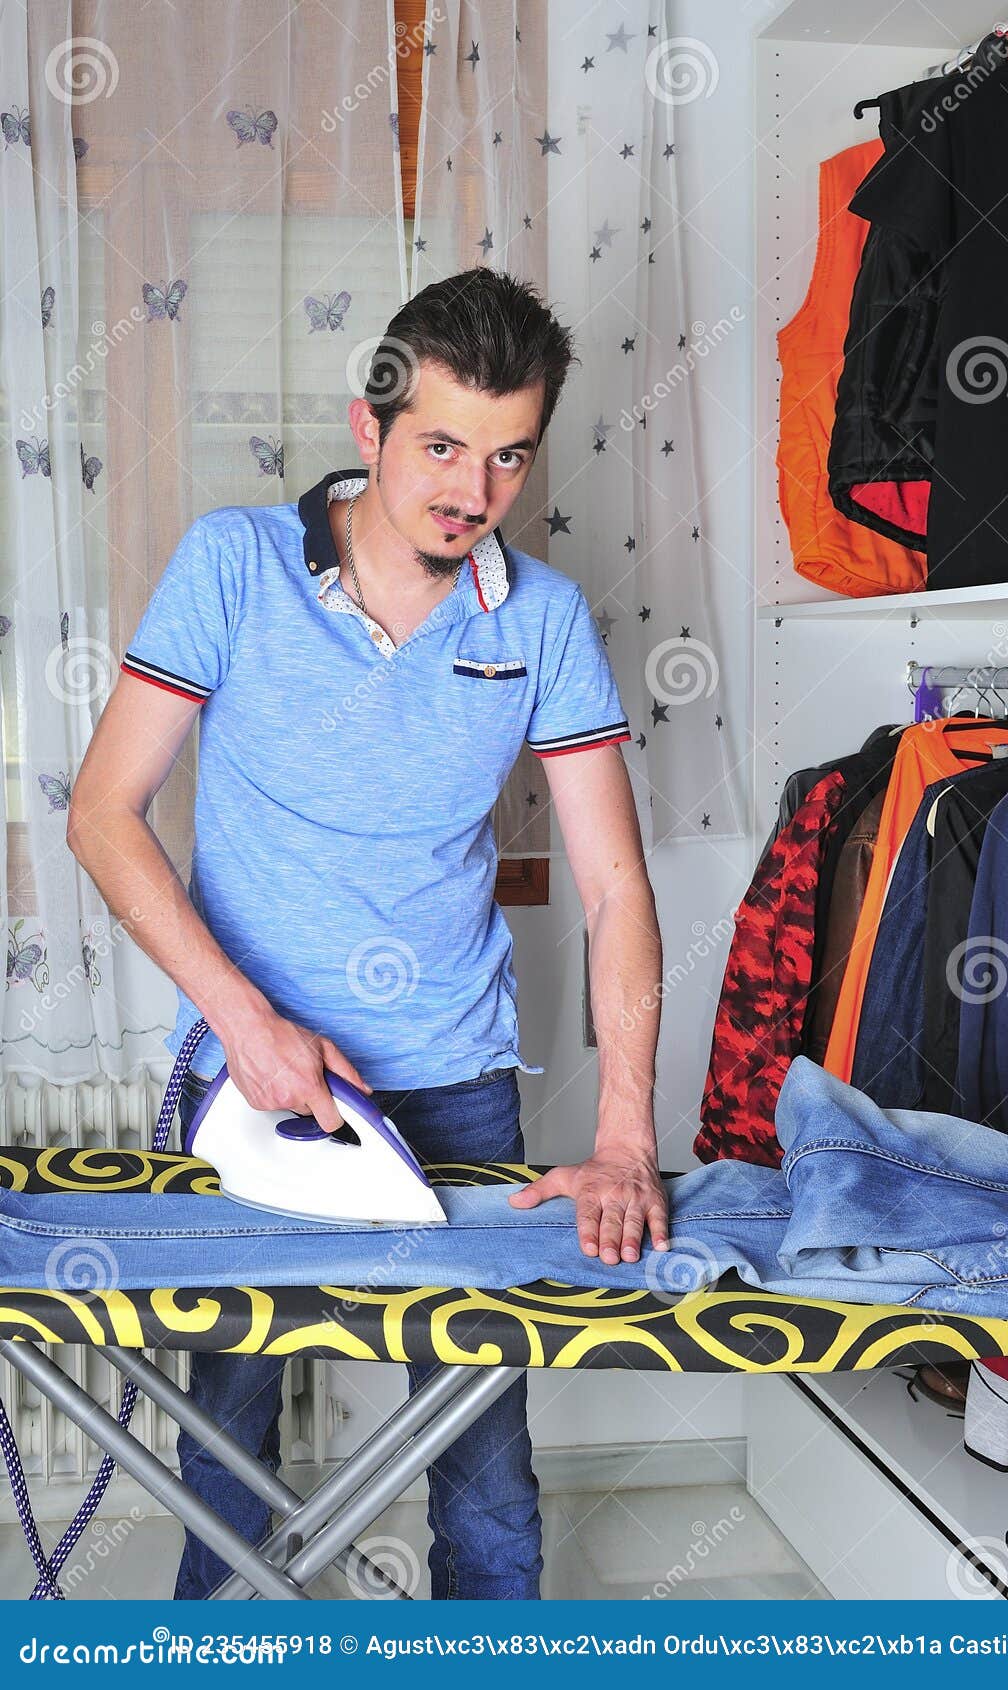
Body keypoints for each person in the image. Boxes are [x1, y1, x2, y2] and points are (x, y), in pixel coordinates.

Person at [67, 267, 669, 1601]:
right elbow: (105, 814)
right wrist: (246, 1022)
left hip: (452, 1080)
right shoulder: (235, 566)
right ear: (371, 427)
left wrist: (622, 1131)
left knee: (483, 1452)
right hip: (249, 1079)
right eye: (443, 446)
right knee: (225, 1437)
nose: (474, 488)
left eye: (509, 455)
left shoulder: (546, 624)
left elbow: (618, 888)